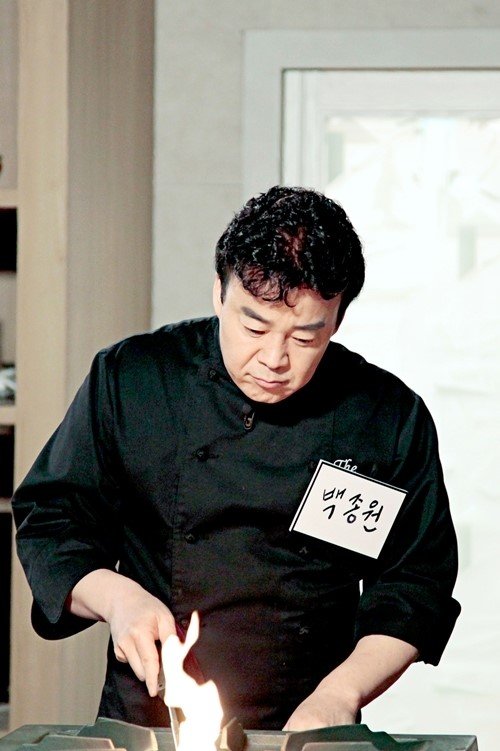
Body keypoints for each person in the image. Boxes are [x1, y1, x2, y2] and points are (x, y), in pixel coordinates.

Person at [12, 186, 460, 731]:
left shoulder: (385, 417)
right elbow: (52, 519)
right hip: (150, 722)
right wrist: (118, 598)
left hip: (307, 722)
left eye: (305, 338)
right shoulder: (135, 380)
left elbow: (415, 583)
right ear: (218, 294)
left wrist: (340, 695)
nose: (274, 358)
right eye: (254, 327)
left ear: (337, 321)